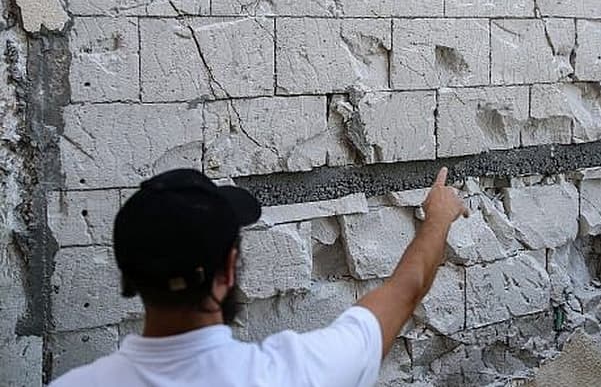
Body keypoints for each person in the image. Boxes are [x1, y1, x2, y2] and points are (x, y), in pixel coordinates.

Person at [49, 167, 468, 387]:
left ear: (129, 277)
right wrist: (439, 216)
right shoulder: (292, 374)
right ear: (230, 269)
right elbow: (405, 289)